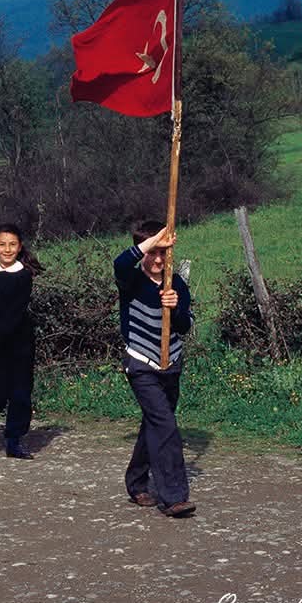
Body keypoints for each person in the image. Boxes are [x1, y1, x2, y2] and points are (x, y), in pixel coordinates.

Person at [114, 221, 196, 518]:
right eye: (153, 253)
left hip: (171, 364)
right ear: (144, 252)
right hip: (141, 364)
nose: (159, 259)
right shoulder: (131, 280)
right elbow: (121, 261)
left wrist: (174, 309)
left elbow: (186, 327)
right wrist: (155, 239)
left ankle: (136, 483)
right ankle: (174, 497)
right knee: (165, 426)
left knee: (155, 424)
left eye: (165, 252)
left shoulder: (177, 285)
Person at [0, 224, 39, 458]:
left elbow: (14, 313)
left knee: (21, 393)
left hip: (18, 341)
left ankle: (14, 441)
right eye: (2, 244)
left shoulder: (24, 275)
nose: (7, 249)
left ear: (20, 246)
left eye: (12, 244)